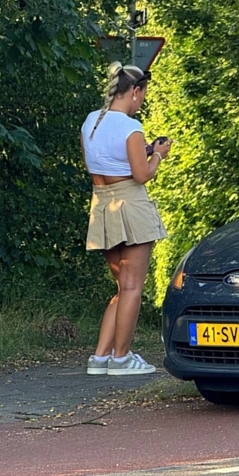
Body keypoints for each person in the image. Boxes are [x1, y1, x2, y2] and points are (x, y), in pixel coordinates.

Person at [81, 62, 172, 376]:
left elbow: (104, 160)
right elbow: (141, 174)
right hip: (130, 204)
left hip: (102, 205)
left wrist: (144, 149)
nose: (142, 101)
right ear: (134, 92)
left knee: (122, 286)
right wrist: (157, 154)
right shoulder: (131, 127)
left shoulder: (91, 122)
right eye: (142, 96)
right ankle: (121, 359)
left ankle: (100, 357)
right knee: (133, 287)